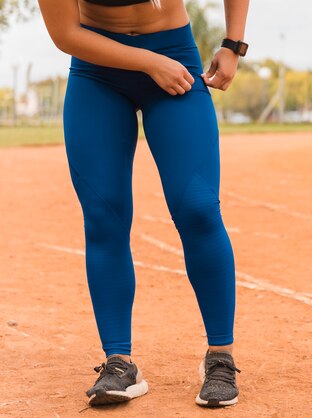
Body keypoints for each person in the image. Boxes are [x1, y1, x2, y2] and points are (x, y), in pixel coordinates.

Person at [37, 0, 250, 408]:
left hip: (174, 59)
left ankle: (220, 356)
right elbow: (65, 34)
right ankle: (118, 363)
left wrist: (233, 44)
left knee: (198, 207)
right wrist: (147, 61)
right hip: (98, 72)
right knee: (104, 216)